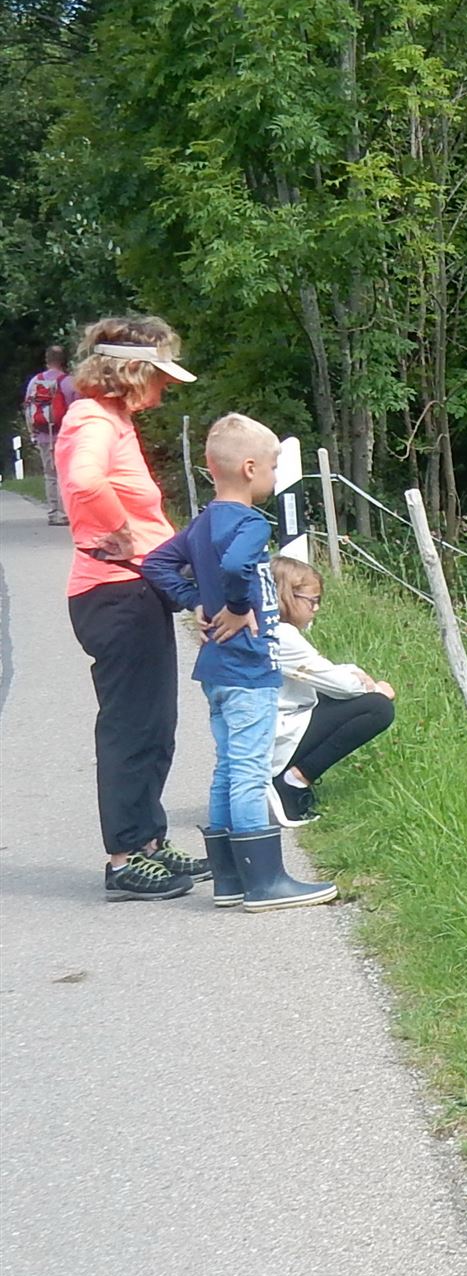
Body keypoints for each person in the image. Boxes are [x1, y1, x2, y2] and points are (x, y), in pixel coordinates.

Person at [142, 414, 336, 913]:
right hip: (249, 667)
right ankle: (265, 882)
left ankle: (229, 879)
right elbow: (235, 565)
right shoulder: (251, 523)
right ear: (250, 469)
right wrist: (231, 605)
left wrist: (194, 600)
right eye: (272, 467)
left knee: (228, 768)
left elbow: (156, 563)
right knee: (250, 770)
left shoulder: (205, 521)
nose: (273, 476)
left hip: (218, 669)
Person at [56, 316, 209, 901]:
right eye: (160, 376)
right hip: (114, 593)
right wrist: (117, 529)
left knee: (156, 726)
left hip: (135, 591)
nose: (164, 388)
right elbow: (84, 480)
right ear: (131, 371)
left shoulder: (113, 420)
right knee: (130, 728)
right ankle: (123, 858)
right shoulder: (92, 420)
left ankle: (148, 841)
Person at [266, 556, 396, 827]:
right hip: (281, 728)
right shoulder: (282, 636)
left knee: (344, 697)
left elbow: (320, 671)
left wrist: (353, 674)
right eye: (312, 601)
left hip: (281, 718)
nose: (316, 608)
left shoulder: (269, 630)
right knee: (377, 708)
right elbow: (341, 684)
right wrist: (375, 689)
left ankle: (290, 776)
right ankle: (292, 781)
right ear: (286, 597)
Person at [23, 344, 77, 525]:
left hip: (44, 435)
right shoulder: (69, 382)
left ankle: (54, 513)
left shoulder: (35, 381)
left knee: (50, 475)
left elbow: (28, 409)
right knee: (66, 474)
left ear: (46, 359)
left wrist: (32, 432)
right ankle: (66, 513)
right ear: (64, 360)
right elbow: (79, 409)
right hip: (66, 436)